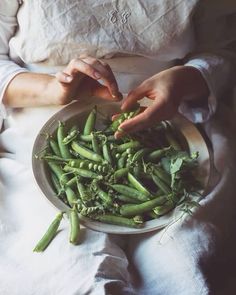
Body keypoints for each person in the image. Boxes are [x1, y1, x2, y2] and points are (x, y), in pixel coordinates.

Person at [0, 1, 236, 294]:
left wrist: (185, 78)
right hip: (45, 126)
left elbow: (222, 49)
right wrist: (51, 88)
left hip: (173, 127)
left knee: (184, 269)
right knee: (74, 274)